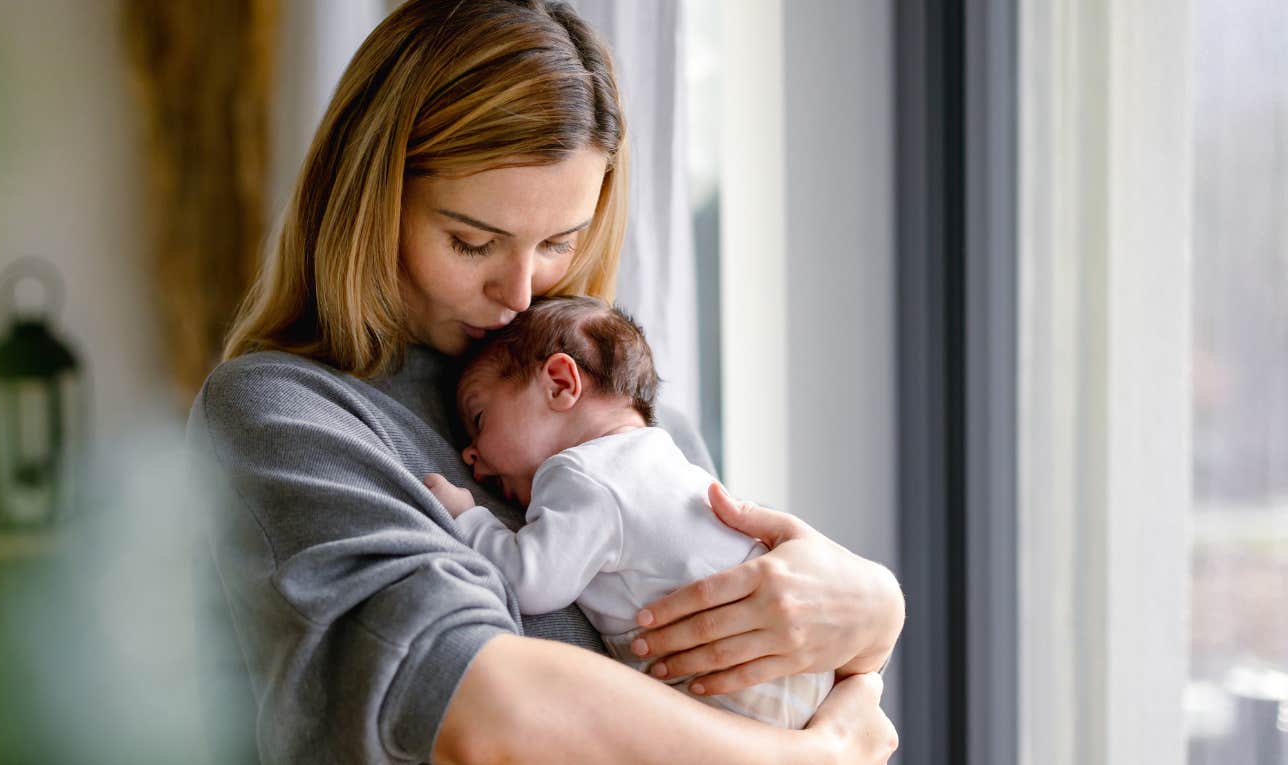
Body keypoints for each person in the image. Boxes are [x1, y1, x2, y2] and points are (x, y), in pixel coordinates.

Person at [185, 1, 904, 763]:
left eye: (559, 242)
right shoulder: (285, 416)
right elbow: (484, 707)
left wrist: (875, 611)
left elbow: (752, 684)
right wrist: (815, 757)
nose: (521, 293)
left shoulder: (640, 426)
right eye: (472, 241)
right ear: (369, 200)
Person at [422, 295, 837, 729]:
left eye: (480, 417)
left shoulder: (584, 475)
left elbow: (531, 582)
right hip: (790, 662)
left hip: (737, 681)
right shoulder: (660, 455)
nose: (470, 454)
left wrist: (468, 519)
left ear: (561, 384)